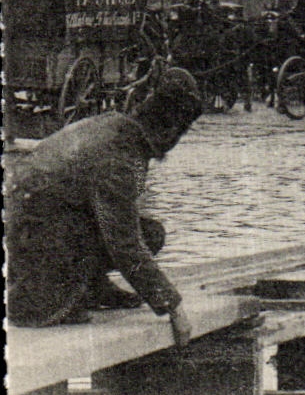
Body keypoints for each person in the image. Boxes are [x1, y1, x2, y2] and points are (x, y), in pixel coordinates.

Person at [5, 68, 205, 349]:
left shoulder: (115, 125)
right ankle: (50, 296)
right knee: (45, 308)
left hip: (34, 220)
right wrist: (172, 306)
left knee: (151, 233)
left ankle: (91, 287)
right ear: (169, 130)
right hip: (35, 234)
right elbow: (123, 242)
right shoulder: (122, 155)